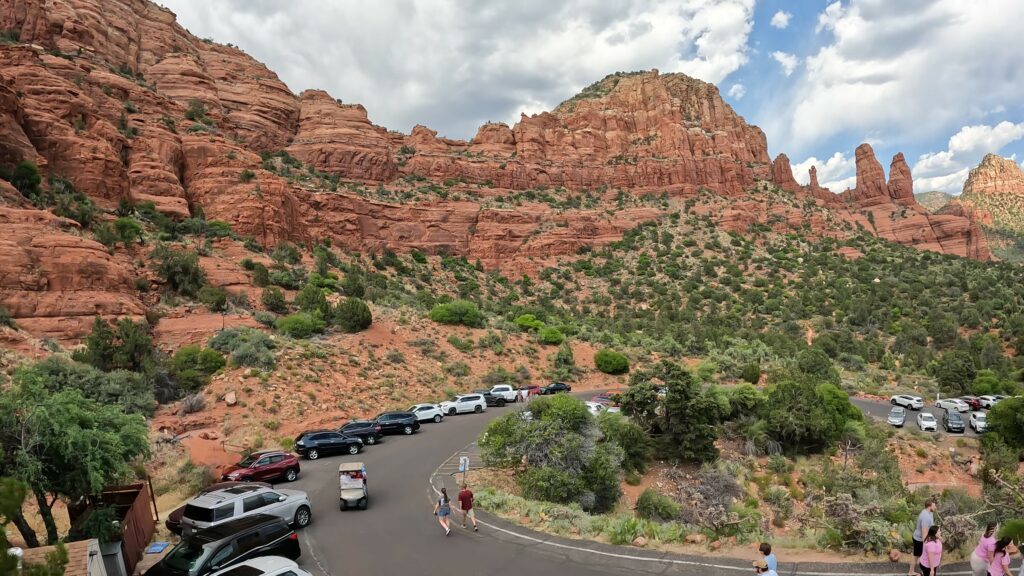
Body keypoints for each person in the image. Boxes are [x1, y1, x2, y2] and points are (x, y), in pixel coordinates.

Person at [911, 500, 936, 575]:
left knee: (917, 556)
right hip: (919, 539)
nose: (935, 507)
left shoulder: (930, 513)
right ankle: (914, 572)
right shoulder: (925, 517)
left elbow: (931, 525)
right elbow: (924, 533)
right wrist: (925, 546)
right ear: (930, 506)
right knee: (919, 556)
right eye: (934, 505)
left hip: (920, 538)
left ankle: (912, 571)